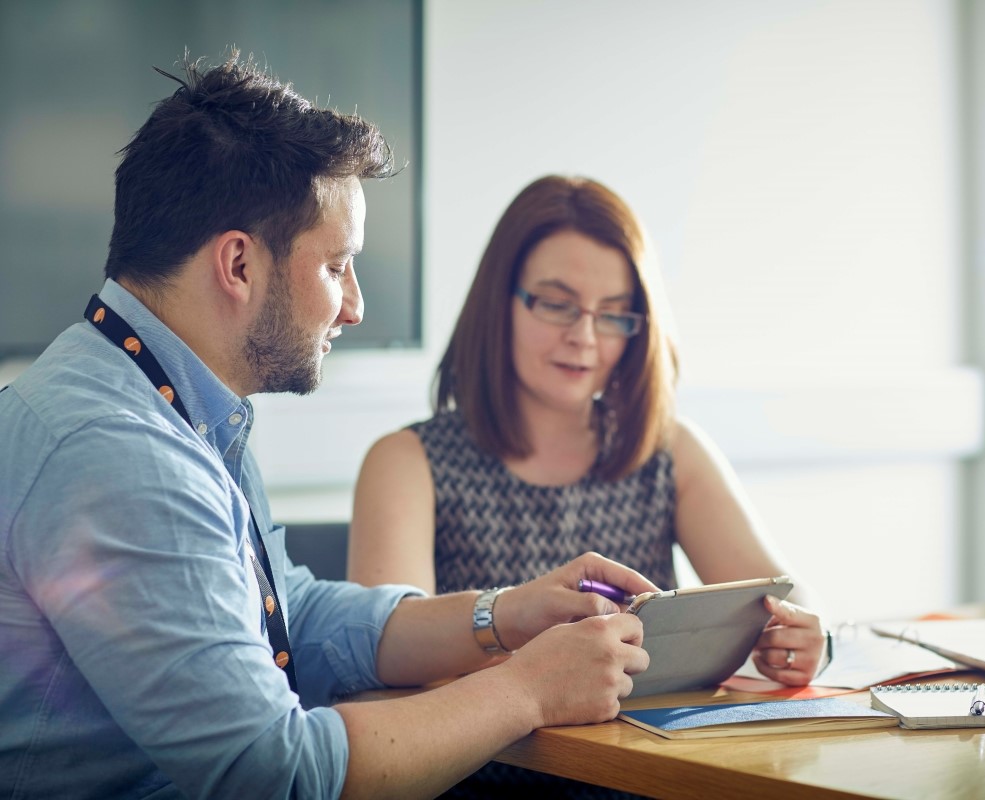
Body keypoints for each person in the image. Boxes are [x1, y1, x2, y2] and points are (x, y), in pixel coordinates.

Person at [0, 54, 655, 800]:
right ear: (239, 264)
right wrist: (529, 690)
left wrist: (500, 616)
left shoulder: (170, 398)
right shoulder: (118, 454)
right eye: (337, 266)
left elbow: (293, 615)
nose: (354, 307)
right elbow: (274, 774)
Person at [349, 175, 827, 684]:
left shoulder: (669, 450)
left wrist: (808, 639)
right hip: (485, 760)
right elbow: (386, 663)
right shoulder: (407, 462)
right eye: (557, 304)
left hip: (646, 758)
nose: (584, 337)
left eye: (613, 315)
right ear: (499, 303)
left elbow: (788, 602)